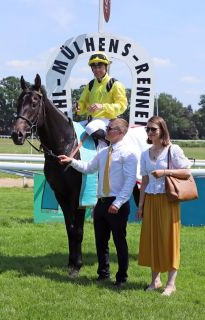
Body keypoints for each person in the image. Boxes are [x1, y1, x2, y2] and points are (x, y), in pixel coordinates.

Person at [58, 118, 137, 287]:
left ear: (121, 132)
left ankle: (122, 277)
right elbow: (88, 168)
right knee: (100, 242)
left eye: (110, 128)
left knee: (119, 241)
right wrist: (71, 161)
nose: (106, 130)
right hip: (101, 203)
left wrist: (119, 202)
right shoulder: (103, 153)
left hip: (117, 203)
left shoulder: (128, 153)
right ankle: (103, 274)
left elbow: (130, 181)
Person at [136, 116, 191, 296]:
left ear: (162, 130)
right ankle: (155, 280)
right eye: (148, 129)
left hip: (168, 199)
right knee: (152, 239)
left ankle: (171, 283)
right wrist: (140, 205)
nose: (150, 133)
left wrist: (165, 172)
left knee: (169, 239)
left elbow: (186, 171)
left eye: (154, 129)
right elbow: (144, 181)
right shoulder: (145, 153)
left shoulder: (172, 149)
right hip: (151, 199)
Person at [75, 52, 127, 147]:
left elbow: (122, 106)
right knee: (73, 127)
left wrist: (103, 106)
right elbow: (82, 103)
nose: (97, 70)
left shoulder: (115, 84)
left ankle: (111, 145)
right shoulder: (90, 85)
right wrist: (79, 108)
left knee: (91, 127)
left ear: (106, 67)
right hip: (92, 120)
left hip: (108, 121)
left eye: (100, 67)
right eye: (94, 67)